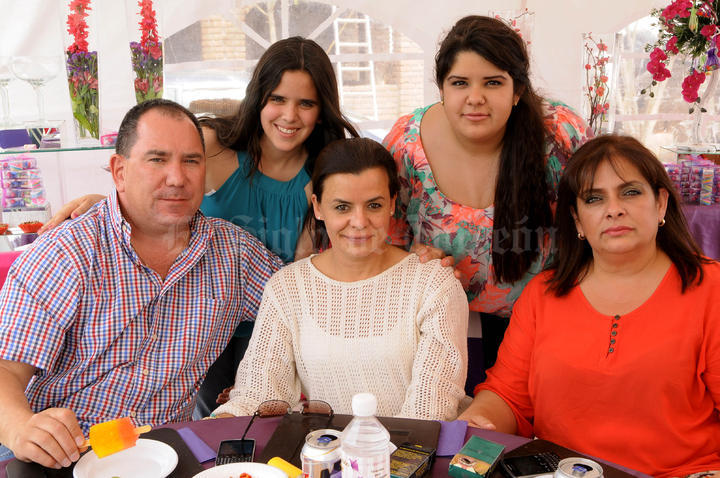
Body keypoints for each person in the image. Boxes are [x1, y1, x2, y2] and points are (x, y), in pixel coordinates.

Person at [40, 37, 361, 418]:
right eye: (277, 98)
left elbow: (305, 269)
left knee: (258, 417)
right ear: (258, 98)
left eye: (305, 103)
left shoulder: (323, 172)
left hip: (271, 316)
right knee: (200, 414)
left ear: (322, 110)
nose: (289, 115)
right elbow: (154, 179)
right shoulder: (211, 145)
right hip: (200, 315)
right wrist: (105, 201)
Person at [0, 99, 282, 469]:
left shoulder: (234, 255)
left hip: (159, 457)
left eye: (191, 161)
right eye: (157, 159)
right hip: (55, 456)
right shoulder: (68, 252)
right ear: (119, 171)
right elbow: (5, 369)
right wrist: (21, 427)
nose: (177, 177)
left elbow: (305, 303)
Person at [458, 135, 720, 478]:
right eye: (595, 199)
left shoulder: (710, 290)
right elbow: (508, 396)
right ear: (578, 221)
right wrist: (479, 422)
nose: (614, 209)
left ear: (661, 204)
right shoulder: (542, 295)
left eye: (630, 192)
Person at [383, 15, 593, 393]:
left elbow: (595, 223)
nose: (474, 98)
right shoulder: (406, 144)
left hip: (547, 324)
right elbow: (386, 241)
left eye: (493, 82)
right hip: (440, 329)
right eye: (460, 83)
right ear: (442, 89)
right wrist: (415, 258)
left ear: (517, 91)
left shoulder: (560, 133)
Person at [211, 138, 469, 420]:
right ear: (318, 207)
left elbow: (430, 407)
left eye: (373, 205)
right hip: (327, 453)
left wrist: (377, 460)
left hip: (415, 455)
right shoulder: (287, 288)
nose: (359, 222)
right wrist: (220, 429)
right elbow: (257, 393)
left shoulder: (434, 283)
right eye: (342, 207)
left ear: (393, 203)